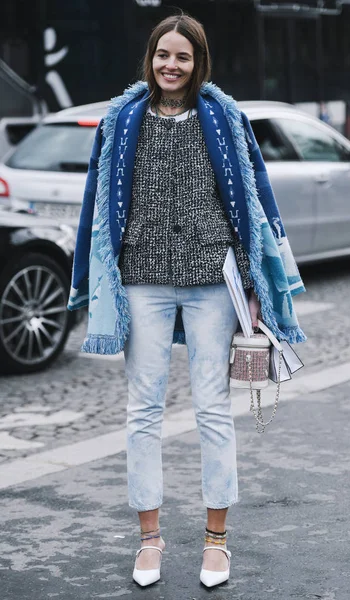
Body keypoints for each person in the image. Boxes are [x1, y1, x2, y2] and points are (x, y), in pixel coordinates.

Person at [68, 13, 306, 589]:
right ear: (149, 59)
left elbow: (253, 196)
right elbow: (95, 203)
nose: (170, 65)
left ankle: (217, 542)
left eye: (182, 57)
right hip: (142, 280)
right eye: (161, 55)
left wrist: (257, 283)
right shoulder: (122, 120)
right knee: (142, 412)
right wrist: (86, 274)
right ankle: (149, 539)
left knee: (212, 412)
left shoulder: (224, 117)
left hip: (212, 283)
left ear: (199, 62)